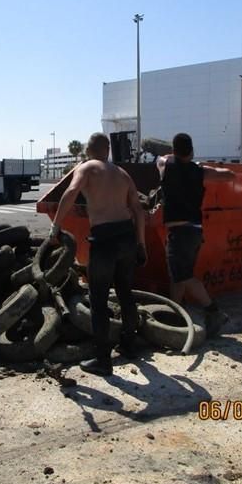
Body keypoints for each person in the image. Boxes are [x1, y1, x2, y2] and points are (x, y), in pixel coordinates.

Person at [50, 132, 146, 376]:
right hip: (127, 237)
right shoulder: (122, 174)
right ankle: (130, 345)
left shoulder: (87, 167)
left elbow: (71, 192)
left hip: (104, 238)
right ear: (108, 150)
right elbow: (138, 210)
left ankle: (103, 360)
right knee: (125, 293)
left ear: (89, 151)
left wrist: (55, 226)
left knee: (99, 299)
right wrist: (141, 244)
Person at [157, 133, 235, 336]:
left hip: (179, 231)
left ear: (174, 151)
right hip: (194, 231)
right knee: (178, 276)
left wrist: (174, 156)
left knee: (184, 276)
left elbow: (161, 158)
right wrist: (200, 165)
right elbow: (228, 174)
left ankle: (214, 311)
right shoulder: (200, 171)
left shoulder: (165, 165)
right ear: (191, 151)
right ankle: (176, 313)